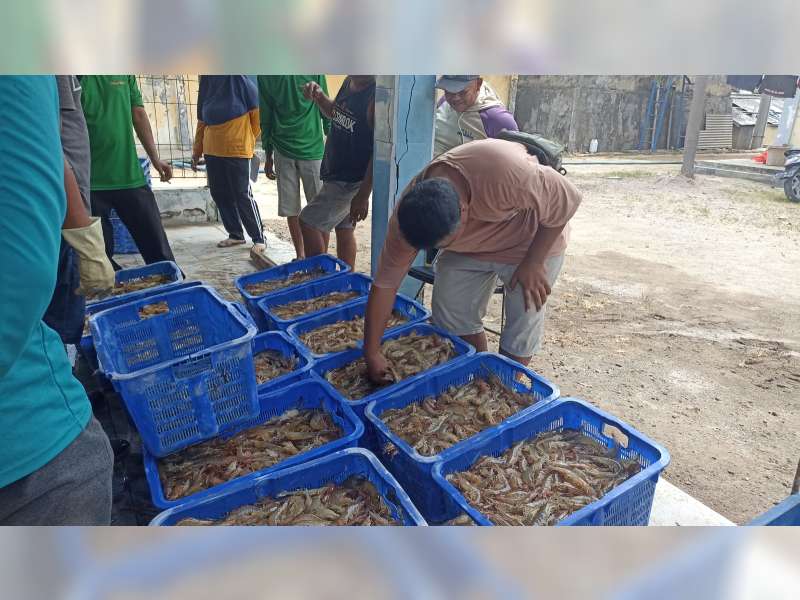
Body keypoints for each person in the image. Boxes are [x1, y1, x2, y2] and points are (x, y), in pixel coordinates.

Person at [363, 139, 582, 382]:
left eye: (443, 243)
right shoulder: (407, 223)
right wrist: (371, 352)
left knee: (525, 310)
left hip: (530, 240)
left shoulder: (507, 174)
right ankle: (477, 375)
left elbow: (567, 199)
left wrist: (534, 261)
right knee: (451, 312)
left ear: (465, 211)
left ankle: (504, 385)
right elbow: (385, 285)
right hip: (470, 248)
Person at [0, 76, 113, 525]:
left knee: (66, 313)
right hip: (34, 454)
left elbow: (49, 151)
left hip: (31, 457)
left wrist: (85, 237)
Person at [44, 75, 115, 347]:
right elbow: (50, 149)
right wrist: (88, 245)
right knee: (63, 322)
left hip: (65, 215)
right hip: (63, 220)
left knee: (64, 318)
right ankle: (64, 373)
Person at [80, 75, 176, 267]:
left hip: (129, 175)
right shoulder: (72, 76)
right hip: (90, 180)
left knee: (158, 250)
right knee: (100, 259)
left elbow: (138, 114)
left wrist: (155, 158)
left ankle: (171, 287)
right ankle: (113, 291)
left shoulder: (124, 73)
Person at [298, 75, 375, 268]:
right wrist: (320, 97)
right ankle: (346, 282)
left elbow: (379, 150)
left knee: (308, 222)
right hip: (336, 171)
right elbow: (336, 112)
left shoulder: (375, 96)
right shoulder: (349, 82)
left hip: (350, 179)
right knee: (345, 228)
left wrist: (363, 194)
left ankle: (318, 278)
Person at [192, 75, 267, 261]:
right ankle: (235, 234)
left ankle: (259, 237)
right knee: (219, 192)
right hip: (212, 147)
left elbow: (257, 114)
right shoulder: (208, 80)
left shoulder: (239, 77)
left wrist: (248, 139)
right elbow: (201, 118)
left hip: (237, 145)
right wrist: (197, 150)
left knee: (242, 194)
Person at [258, 75, 329, 260]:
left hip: (286, 150)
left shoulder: (266, 75)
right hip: (311, 149)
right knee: (319, 210)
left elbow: (266, 116)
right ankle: (320, 258)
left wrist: (268, 153)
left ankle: (301, 256)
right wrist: (332, 141)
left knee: (292, 209)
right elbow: (327, 109)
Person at [434, 75, 518, 156]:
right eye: (449, 91)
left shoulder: (498, 119)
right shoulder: (444, 102)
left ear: (478, 84)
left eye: (463, 92)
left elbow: (515, 162)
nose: (455, 98)